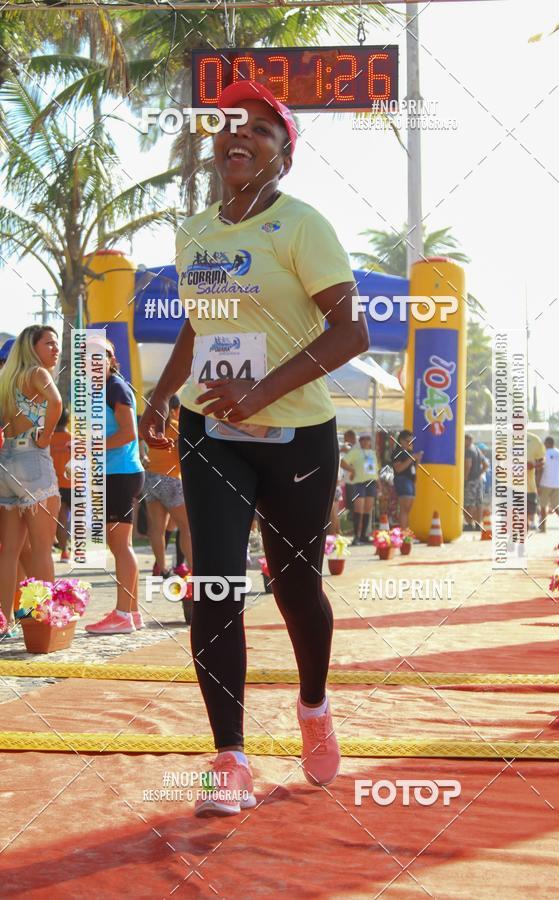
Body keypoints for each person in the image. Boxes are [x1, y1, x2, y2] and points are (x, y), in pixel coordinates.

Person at [139, 79, 368, 816]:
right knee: (215, 582)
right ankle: (230, 757)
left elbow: (351, 331)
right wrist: (163, 392)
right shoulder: (194, 232)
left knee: (296, 588)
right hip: (212, 429)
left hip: (297, 434)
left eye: (262, 129)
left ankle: (313, 706)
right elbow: (197, 323)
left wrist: (261, 392)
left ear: (284, 157)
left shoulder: (303, 226)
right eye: (230, 124)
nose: (240, 134)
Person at [0, 326, 62, 636]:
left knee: (9, 551)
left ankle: (5, 620)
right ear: (31, 347)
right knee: (41, 548)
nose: (56, 349)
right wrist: (47, 435)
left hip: (5, 464)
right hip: (33, 461)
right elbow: (56, 402)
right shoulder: (37, 373)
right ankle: (43, 619)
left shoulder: (6, 378)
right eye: (49, 343)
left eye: (57, 343)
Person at [86, 339, 145, 634]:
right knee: (122, 545)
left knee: (120, 546)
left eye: (102, 355)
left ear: (111, 359)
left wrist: (90, 447)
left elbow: (129, 433)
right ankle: (131, 612)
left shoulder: (115, 387)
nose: (94, 360)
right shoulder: (102, 389)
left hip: (120, 473)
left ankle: (123, 614)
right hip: (118, 472)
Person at [140, 395, 193, 579]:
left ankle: (162, 569)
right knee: (186, 526)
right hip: (170, 479)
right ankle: (194, 567)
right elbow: (181, 456)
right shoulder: (176, 427)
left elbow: (143, 449)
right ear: (172, 410)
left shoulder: (149, 427)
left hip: (150, 478)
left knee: (157, 528)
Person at [340, 432, 379, 545]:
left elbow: (376, 469)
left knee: (367, 509)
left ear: (370, 441)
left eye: (367, 439)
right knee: (358, 508)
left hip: (371, 482)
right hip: (359, 483)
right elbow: (343, 463)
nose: (365, 441)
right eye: (362, 439)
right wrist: (352, 470)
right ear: (359, 441)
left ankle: (363, 536)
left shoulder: (373, 453)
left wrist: (379, 483)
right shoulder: (355, 452)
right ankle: (356, 537)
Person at [50, 407, 72, 561]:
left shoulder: (47, 440)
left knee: (62, 520)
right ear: (68, 420)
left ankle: (64, 552)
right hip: (75, 484)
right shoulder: (75, 439)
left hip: (56, 486)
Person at [391, 429, 422, 529]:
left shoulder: (410, 452)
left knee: (408, 509)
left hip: (410, 480)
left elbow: (413, 469)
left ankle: (406, 531)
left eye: (411, 441)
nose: (410, 443)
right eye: (408, 441)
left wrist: (417, 460)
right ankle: (404, 532)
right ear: (401, 440)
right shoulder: (397, 452)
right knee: (404, 508)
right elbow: (398, 468)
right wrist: (412, 458)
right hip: (402, 480)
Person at [538, 436, 559, 533]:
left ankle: (543, 527)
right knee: (556, 506)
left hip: (545, 483)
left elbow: (540, 468)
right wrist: (557, 471)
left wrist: (537, 484)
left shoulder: (543, 453)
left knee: (543, 506)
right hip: (558, 484)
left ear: (547, 443)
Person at [464, 434, 487, 530]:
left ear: (467, 440)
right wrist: (478, 474)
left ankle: (469, 524)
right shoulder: (477, 450)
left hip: (470, 481)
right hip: (479, 480)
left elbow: (468, 466)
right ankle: (478, 525)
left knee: (469, 503)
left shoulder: (468, 450)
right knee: (479, 503)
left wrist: (465, 479)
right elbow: (486, 465)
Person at [526, 432, 545, 531]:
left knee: (528, 515)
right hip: (511, 485)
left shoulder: (534, 440)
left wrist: (533, 465)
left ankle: (531, 524)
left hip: (529, 486)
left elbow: (542, 461)